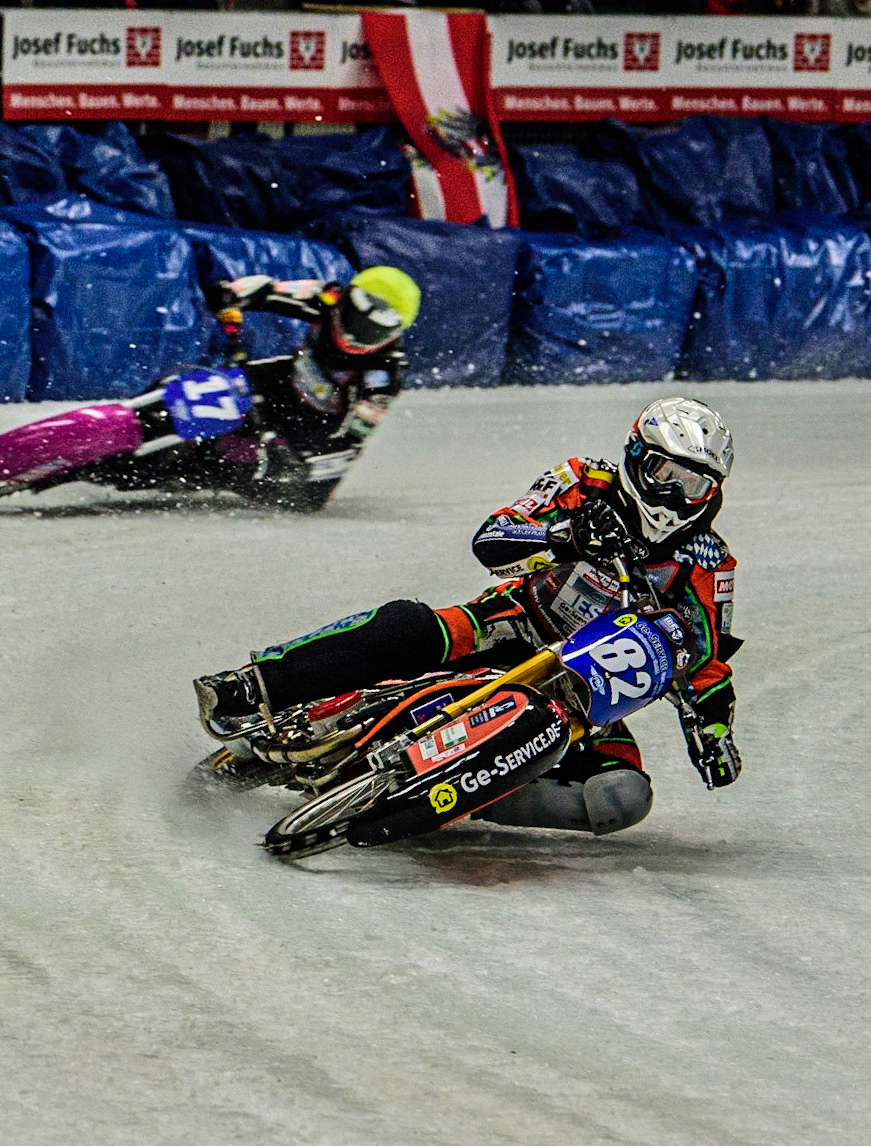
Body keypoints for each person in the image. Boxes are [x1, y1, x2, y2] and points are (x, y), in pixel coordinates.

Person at [194, 397, 741, 835]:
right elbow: (493, 538)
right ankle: (253, 685)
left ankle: (464, 799)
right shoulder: (582, 482)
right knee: (409, 625)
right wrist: (561, 537)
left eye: (692, 484)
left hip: (586, 689)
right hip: (510, 623)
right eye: (664, 471)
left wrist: (714, 732)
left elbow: (706, 659)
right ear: (635, 457)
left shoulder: (710, 564)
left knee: (622, 797)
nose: (673, 493)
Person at [201, 265, 420, 502]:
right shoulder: (329, 297)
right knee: (224, 381)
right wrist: (230, 293)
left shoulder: (386, 369)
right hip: (290, 378)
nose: (353, 337)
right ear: (347, 300)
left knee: (288, 493)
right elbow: (270, 289)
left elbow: (355, 435)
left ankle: (203, 468)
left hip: (320, 423)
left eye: (372, 332)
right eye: (355, 320)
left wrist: (306, 463)